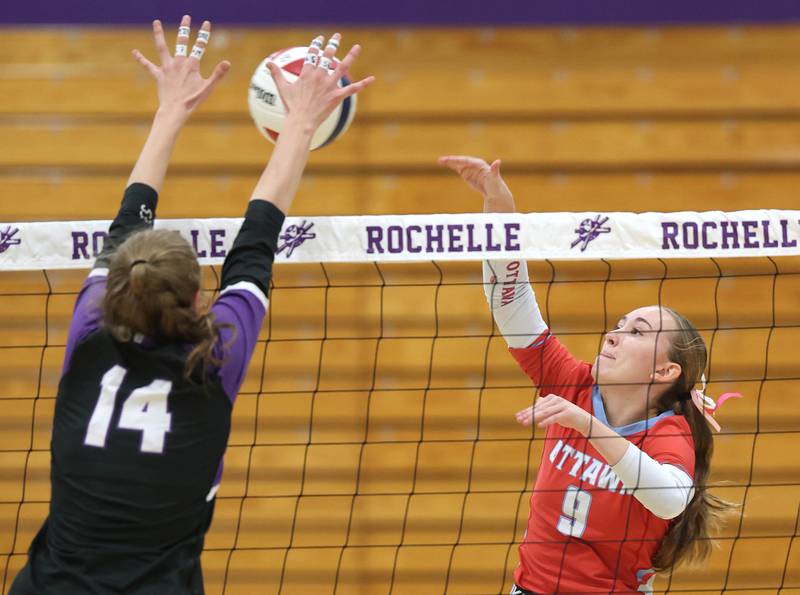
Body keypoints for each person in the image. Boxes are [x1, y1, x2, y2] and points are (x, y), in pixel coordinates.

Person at [10, 16, 373, 595]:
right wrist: (303, 122)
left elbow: (243, 241)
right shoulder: (213, 358)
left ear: (119, 286)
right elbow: (257, 233)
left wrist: (170, 111)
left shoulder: (92, 336)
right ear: (200, 299)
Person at [439, 155, 738, 594]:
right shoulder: (573, 383)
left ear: (665, 370)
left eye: (637, 331)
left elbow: (672, 499)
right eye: (618, 325)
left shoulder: (668, 434)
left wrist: (585, 423)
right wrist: (499, 213)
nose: (614, 335)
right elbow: (511, 303)